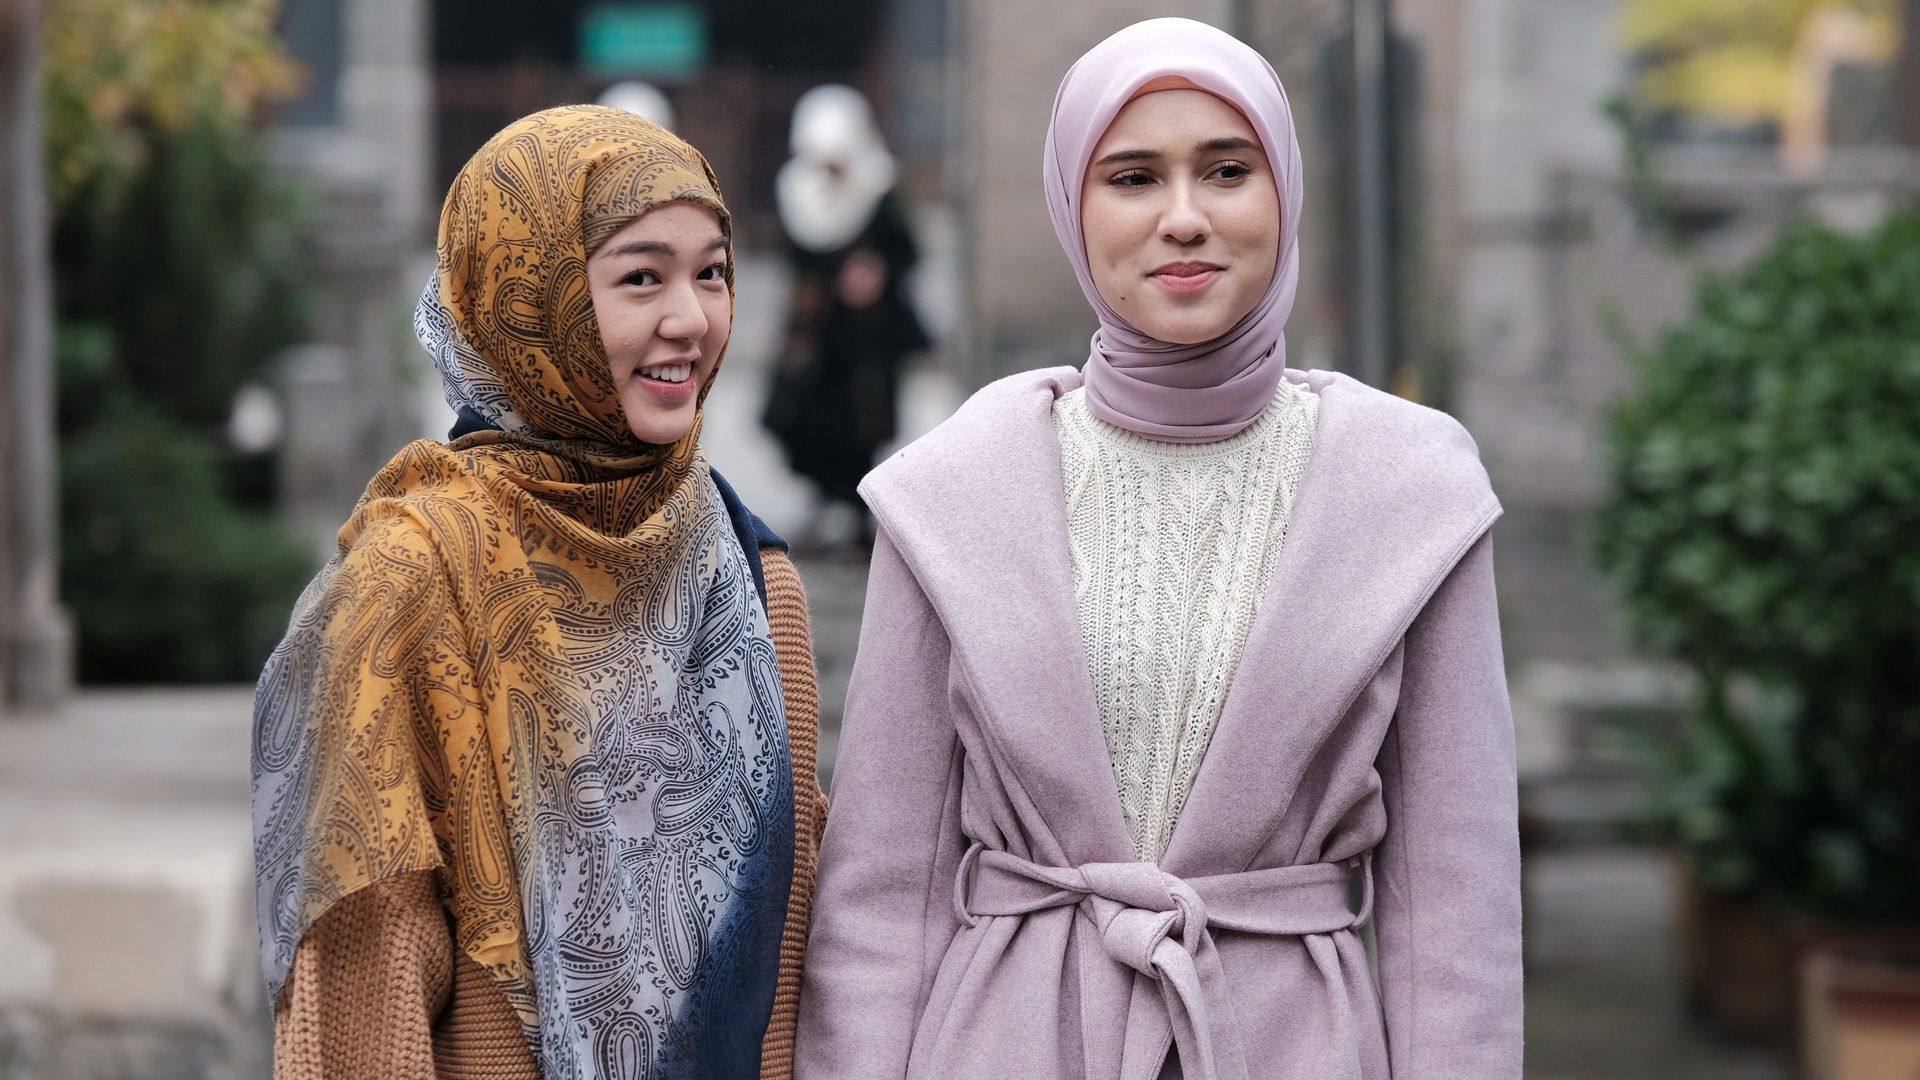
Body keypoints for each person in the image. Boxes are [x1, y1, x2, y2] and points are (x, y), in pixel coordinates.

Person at [794, 18, 1520, 1080]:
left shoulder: (1410, 489)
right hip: (1006, 1041)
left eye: (1227, 170)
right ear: (1071, 206)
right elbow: (880, 902)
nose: (1185, 217)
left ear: (1285, 192)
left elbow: (1456, 914)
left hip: (1291, 1044)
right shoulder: (954, 490)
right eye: (1133, 177)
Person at [252, 105, 827, 1080]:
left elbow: (796, 937)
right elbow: (361, 983)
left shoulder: (752, 576)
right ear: (527, 296)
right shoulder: (412, 581)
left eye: (712, 272)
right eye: (640, 277)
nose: (691, 319)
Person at [762, 85, 929, 547]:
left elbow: (907, 251)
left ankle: (856, 512)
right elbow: (794, 257)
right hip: (816, 334)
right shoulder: (796, 191)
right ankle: (823, 498)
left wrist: (877, 273)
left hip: (868, 337)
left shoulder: (878, 190)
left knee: (861, 423)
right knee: (805, 418)